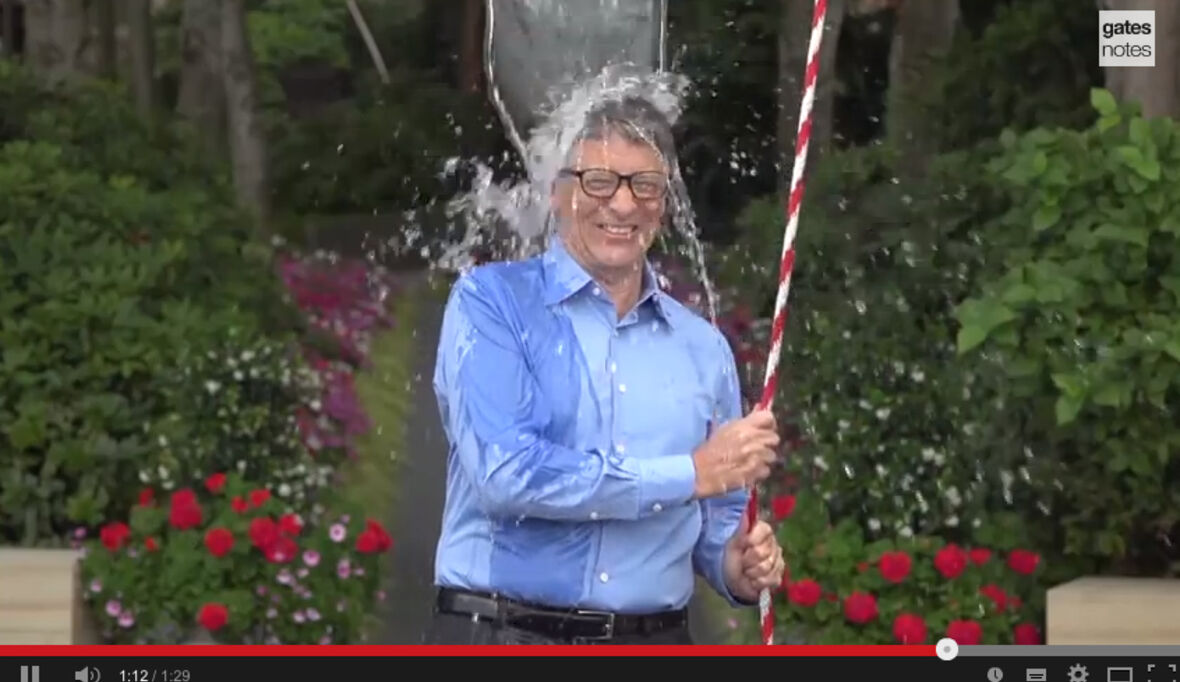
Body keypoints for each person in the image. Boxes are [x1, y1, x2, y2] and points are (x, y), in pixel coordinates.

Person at [426, 95, 785, 645]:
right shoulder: (492, 303)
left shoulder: (704, 349)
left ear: (663, 206)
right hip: (502, 635)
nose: (622, 205)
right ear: (558, 192)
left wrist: (734, 564)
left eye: (644, 186)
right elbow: (506, 473)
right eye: (598, 180)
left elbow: (717, 513)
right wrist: (690, 472)